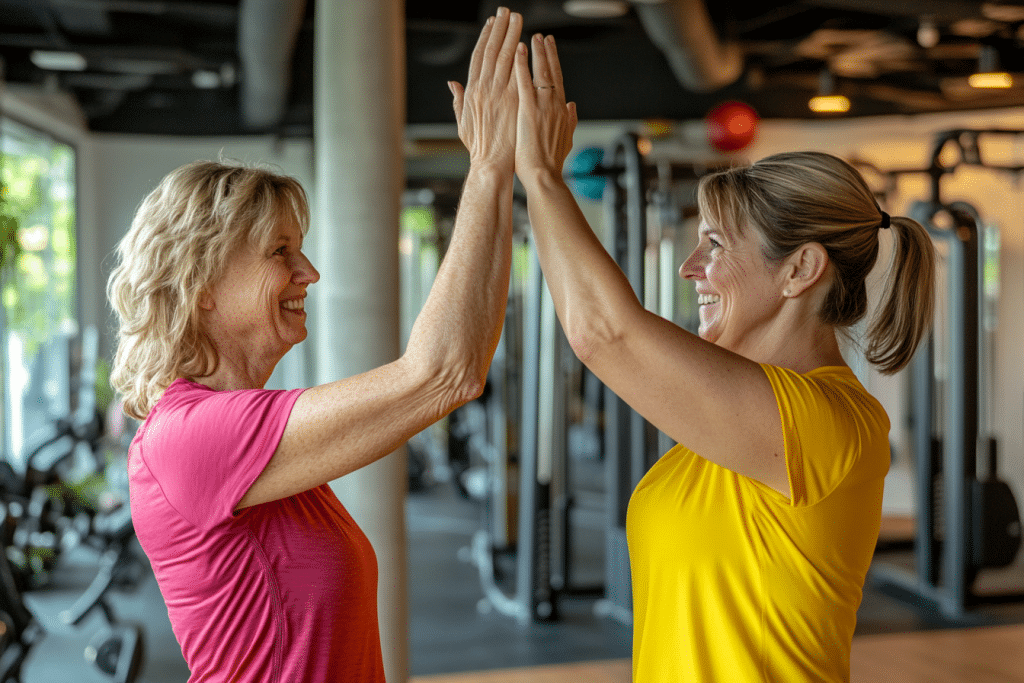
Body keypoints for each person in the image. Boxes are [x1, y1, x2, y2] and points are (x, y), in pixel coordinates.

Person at [106, 8, 523, 681]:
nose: (310, 273)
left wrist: (501, 180)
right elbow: (442, 374)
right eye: (280, 253)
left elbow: (458, 367)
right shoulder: (191, 437)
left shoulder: (247, 437)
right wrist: (490, 170)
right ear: (203, 285)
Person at [512, 34, 935, 682]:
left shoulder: (826, 425)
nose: (690, 267)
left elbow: (604, 334)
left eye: (713, 244)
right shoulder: (733, 424)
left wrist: (538, 173)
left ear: (799, 268)